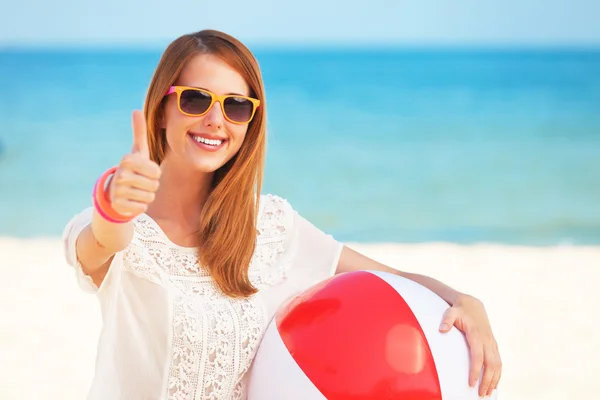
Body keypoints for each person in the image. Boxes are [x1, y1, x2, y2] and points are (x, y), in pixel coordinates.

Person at [62, 29, 501, 400]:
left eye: (236, 106)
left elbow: (388, 282)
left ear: (250, 122)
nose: (216, 120)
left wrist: (462, 300)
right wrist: (116, 203)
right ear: (161, 110)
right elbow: (102, 239)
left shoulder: (270, 227)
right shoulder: (123, 231)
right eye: (196, 100)